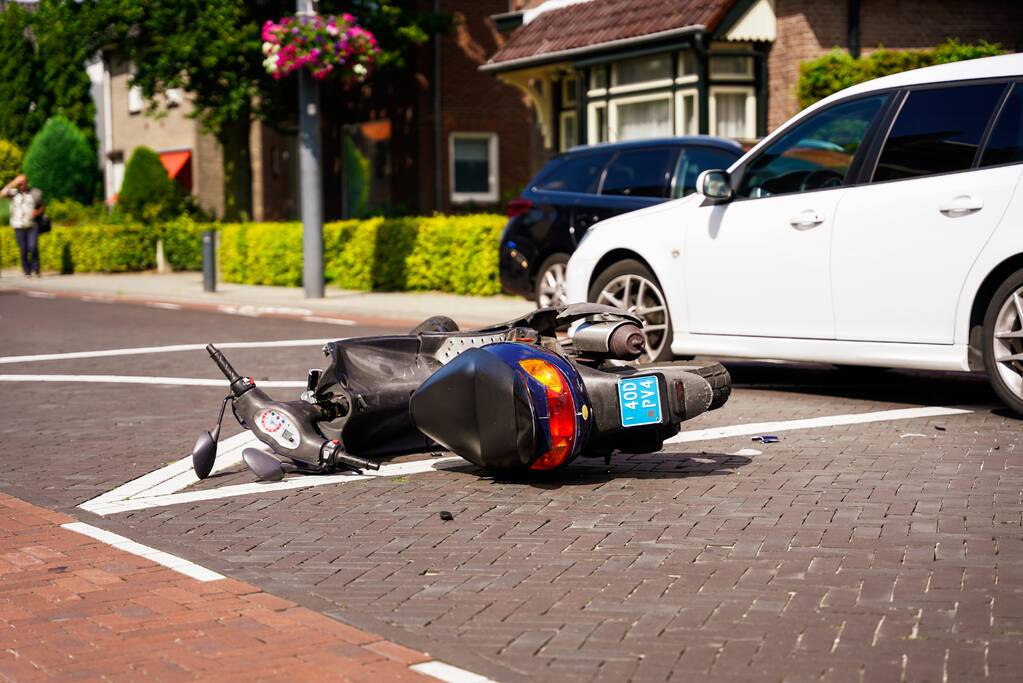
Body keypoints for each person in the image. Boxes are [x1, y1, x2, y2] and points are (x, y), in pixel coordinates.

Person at [2, 174, 44, 277]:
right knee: (23, 249)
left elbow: (42, 206)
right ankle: (27, 271)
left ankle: (36, 269)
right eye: (19, 184)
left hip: (32, 225)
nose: (21, 186)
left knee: (33, 247)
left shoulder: (35, 192)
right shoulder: (13, 193)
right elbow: (2, 193)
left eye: (22, 183)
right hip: (19, 226)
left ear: (27, 183)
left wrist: (37, 212)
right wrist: (14, 182)